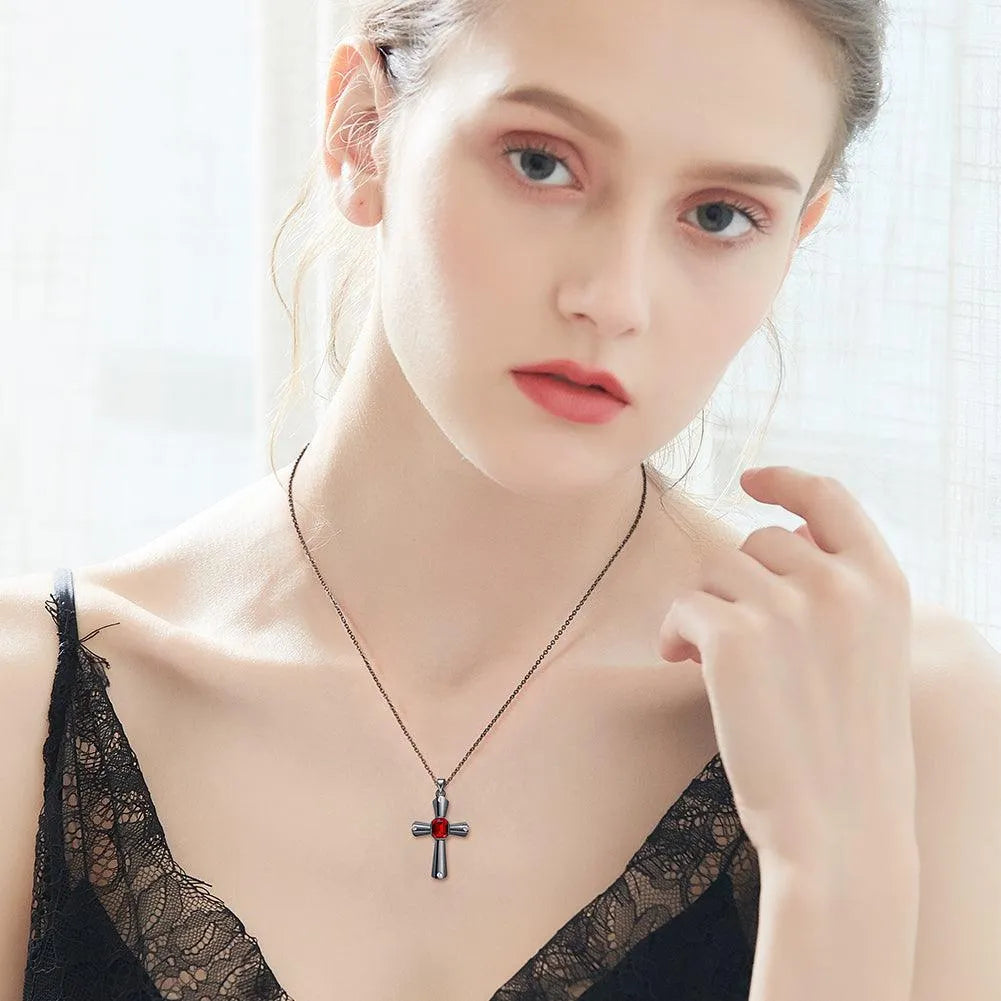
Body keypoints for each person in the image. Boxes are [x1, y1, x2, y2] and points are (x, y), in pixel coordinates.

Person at [13, 0, 981, 998]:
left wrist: (836, 875)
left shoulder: (909, 728)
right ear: (360, 131)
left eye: (718, 216)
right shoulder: (24, 705)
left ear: (795, 236)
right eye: (539, 162)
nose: (613, 298)